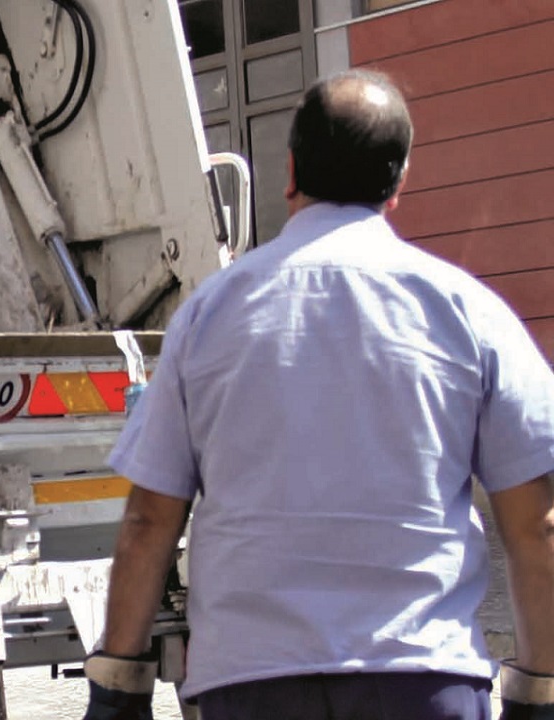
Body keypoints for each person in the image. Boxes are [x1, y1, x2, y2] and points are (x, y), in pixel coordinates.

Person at [81, 69, 554, 720]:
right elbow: (535, 527)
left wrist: (119, 685)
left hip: (250, 682)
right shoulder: (469, 314)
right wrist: (537, 690)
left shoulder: (210, 315)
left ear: (291, 171)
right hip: (423, 681)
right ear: (399, 181)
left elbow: (149, 521)